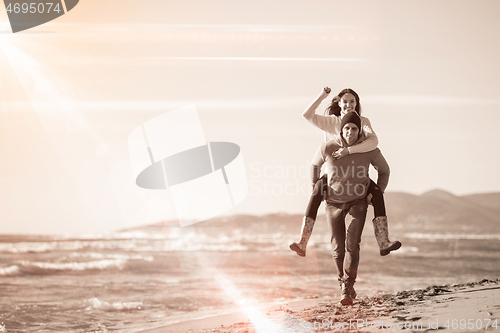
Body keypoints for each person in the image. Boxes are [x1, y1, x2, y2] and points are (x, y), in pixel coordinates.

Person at [290, 87, 401, 257]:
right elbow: (306, 115)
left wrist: (348, 151)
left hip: (357, 173)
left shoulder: (363, 121)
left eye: (352, 101)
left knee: (378, 194)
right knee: (315, 195)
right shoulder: (331, 122)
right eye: (345, 101)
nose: (349, 105)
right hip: (332, 175)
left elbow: (374, 141)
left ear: (357, 104)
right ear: (339, 103)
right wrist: (322, 95)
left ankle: (384, 242)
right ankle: (302, 242)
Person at [313, 112, 390, 305]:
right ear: (341, 129)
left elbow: (384, 170)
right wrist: (317, 187)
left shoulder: (368, 149)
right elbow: (315, 165)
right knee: (337, 248)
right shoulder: (328, 146)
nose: (350, 132)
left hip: (358, 202)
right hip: (332, 202)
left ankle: (347, 286)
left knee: (352, 244)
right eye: (346, 128)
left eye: (354, 128)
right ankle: (343, 282)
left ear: (359, 130)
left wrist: (377, 191)